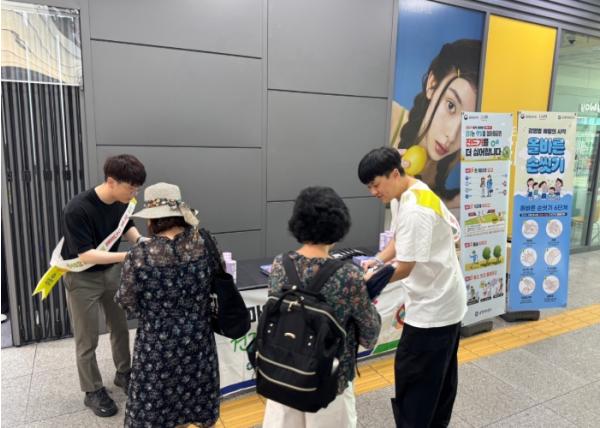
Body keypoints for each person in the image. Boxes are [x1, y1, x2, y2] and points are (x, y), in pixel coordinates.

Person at [358, 147, 467, 428]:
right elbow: (399, 239)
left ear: (394, 174)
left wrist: (369, 284)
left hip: (434, 309)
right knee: (438, 382)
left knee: (416, 382)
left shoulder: (416, 209)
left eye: (376, 184)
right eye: (369, 187)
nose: (373, 192)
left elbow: (406, 266)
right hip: (444, 298)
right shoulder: (407, 192)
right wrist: (378, 260)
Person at [262, 186, 381, 428]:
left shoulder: (279, 264)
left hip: (283, 374)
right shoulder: (348, 276)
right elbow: (370, 336)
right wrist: (367, 296)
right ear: (339, 225)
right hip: (329, 382)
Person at [115, 182, 221, 428]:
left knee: (157, 405)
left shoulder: (139, 255)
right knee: (194, 398)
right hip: (198, 341)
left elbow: (126, 302)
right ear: (181, 215)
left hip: (156, 346)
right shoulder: (205, 243)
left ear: (152, 221)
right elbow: (218, 279)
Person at [61, 154, 146, 417]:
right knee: (86, 337)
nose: (134, 193)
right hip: (81, 277)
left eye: (137, 188)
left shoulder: (122, 202)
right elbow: (86, 255)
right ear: (111, 181)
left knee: (119, 326)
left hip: (111, 273)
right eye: (131, 187)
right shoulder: (77, 209)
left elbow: (126, 226)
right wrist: (128, 256)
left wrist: (142, 243)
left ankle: (124, 373)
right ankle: (92, 390)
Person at [390, 39, 481, 209]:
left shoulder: (455, 155)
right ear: (432, 85)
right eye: (451, 106)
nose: (452, 136)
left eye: (469, 122)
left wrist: (451, 202)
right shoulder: (390, 117)